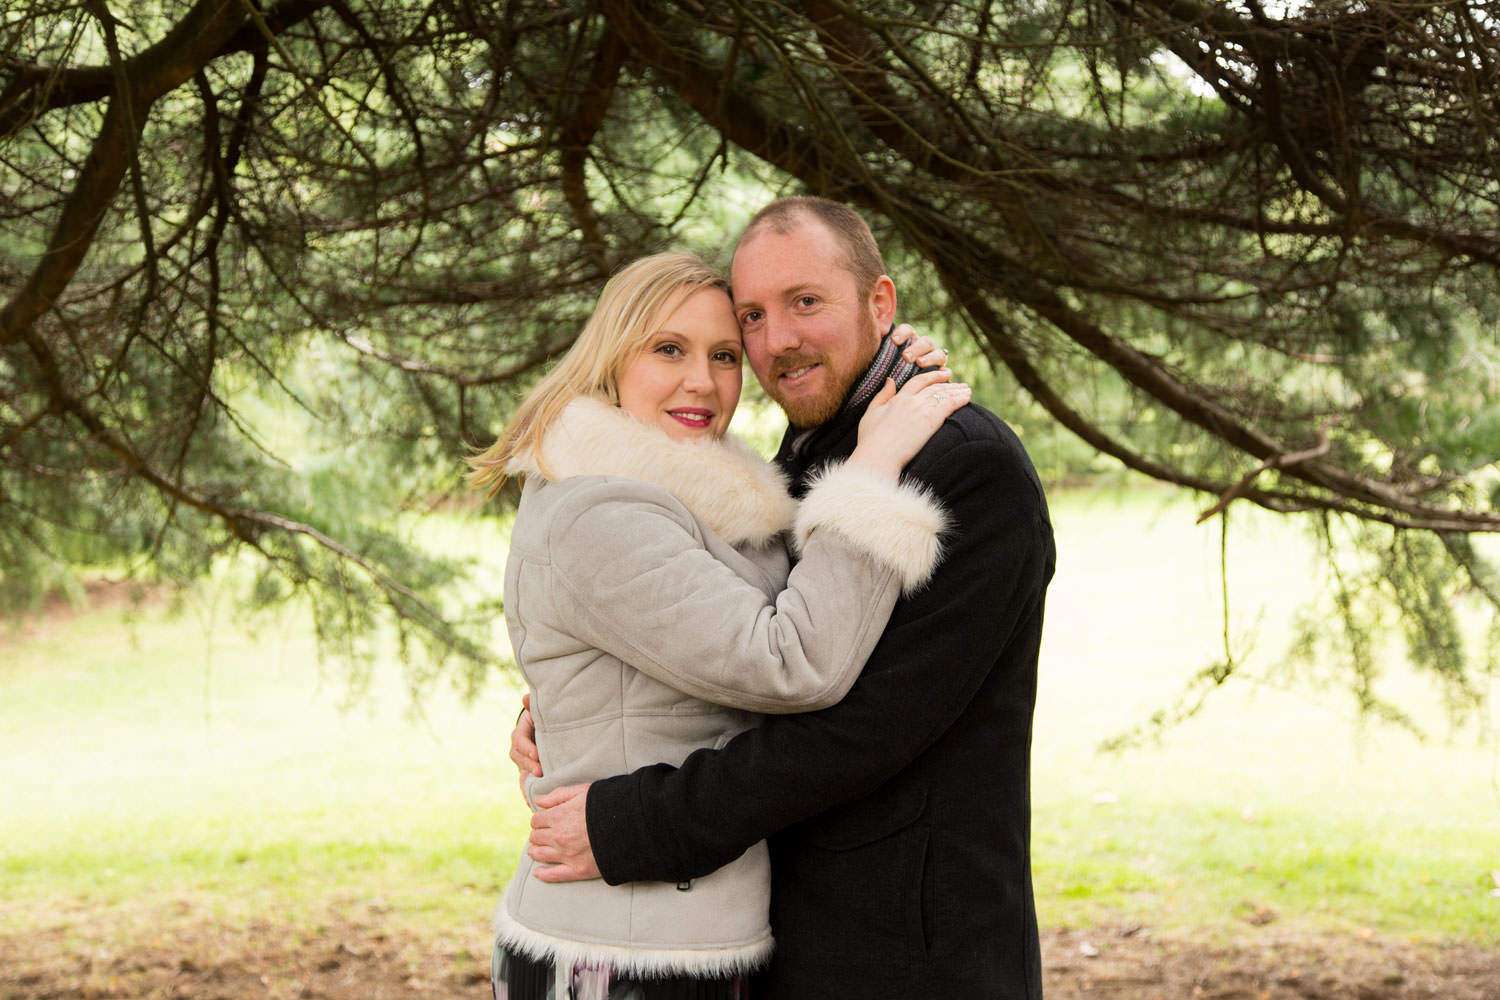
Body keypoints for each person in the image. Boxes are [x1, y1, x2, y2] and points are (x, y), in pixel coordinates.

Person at [517, 198, 1057, 999]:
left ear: (879, 303)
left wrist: (636, 823)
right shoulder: (803, 462)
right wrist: (576, 703)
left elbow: (859, 729)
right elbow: (723, 627)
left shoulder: (965, 468)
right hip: (786, 938)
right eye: (754, 318)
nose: (779, 340)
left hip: (911, 957)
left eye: (806, 302)